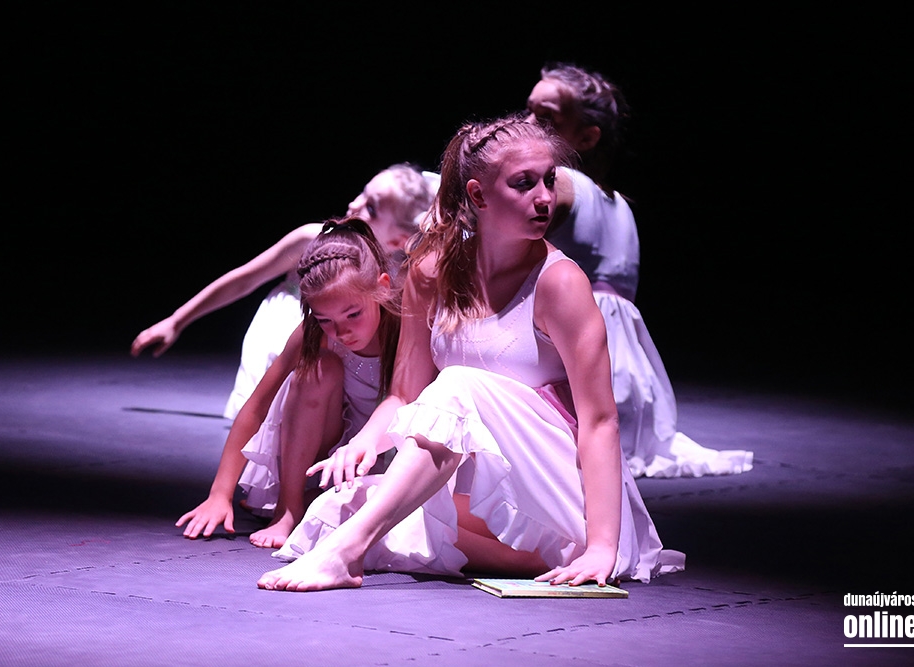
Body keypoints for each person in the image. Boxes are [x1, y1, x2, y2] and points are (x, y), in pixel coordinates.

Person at [258, 115, 684, 592]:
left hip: (563, 496)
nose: (544, 197)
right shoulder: (430, 272)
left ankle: (346, 553)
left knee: (458, 385)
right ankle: (354, 542)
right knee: (339, 508)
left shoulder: (560, 282)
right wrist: (365, 442)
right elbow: (404, 395)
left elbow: (600, 420)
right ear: (479, 196)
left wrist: (603, 545)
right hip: (487, 495)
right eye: (523, 183)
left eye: (548, 180)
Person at [528, 63, 753, 478]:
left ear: (587, 137)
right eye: (527, 110)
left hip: (582, 369)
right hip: (630, 384)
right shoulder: (619, 205)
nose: (526, 124)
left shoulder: (559, 185)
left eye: (544, 118)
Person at [130, 163, 438, 419]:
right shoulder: (312, 240)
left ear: (399, 240)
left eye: (371, 207)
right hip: (287, 329)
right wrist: (177, 320)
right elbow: (245, 278)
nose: (354, 204)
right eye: (363, 193)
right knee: (277, 403)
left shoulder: (401, 276)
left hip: (345, 346)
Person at [176, 218, 402, 549]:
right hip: (331, 441)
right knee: (316, 369)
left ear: (382, 287)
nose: (341, 331)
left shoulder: (404, 325)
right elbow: (256, 407)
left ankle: (337, 497)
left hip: (388, 443)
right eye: (325, 319)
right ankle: (288, 508)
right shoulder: (314, 333)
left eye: (353, 314)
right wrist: (220, 493)